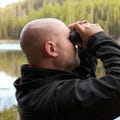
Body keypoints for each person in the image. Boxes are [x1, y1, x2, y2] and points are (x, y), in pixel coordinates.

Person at [14, 18, 120, 120]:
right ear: (51, 49)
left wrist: (85, 49)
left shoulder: (32, 87)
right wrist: (98, 39)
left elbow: (79, 84)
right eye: (70, 38)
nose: (74, 45)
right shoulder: (56, 99)